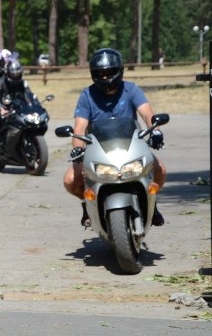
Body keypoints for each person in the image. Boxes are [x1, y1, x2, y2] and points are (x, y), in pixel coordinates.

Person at [63, 48, 167, 227]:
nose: (104, 78)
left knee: (160, 170)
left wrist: (155, 131)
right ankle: (88, 204)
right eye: (100, 74)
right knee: (70, 180)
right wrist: (77, 149)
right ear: (93, 75)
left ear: (119, 71)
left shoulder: (131, 89)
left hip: (131, 144)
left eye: (109, 73)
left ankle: (152, 203)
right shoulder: (87, 96)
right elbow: (79, 127)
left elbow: (147, 114)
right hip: (97, 148)